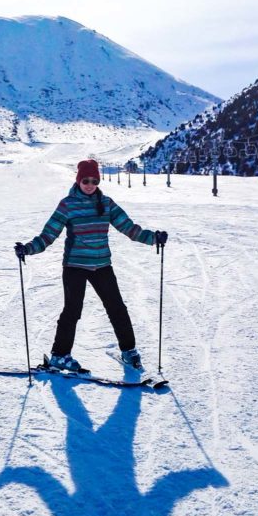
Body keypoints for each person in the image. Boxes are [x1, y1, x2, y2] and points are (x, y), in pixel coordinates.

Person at [14, 159, 167, 372]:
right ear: (78, 180)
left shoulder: (107, 203)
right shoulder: (67, 204)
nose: (90, 184)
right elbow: (49, 234)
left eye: (94, 180)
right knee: (72, 310)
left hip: (102, 264)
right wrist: (28, 248)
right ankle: (59, 355)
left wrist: (153, 238)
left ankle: (129, 351)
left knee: (117, 308)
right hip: (75, 266)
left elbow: (129, 228)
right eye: (85, 180)